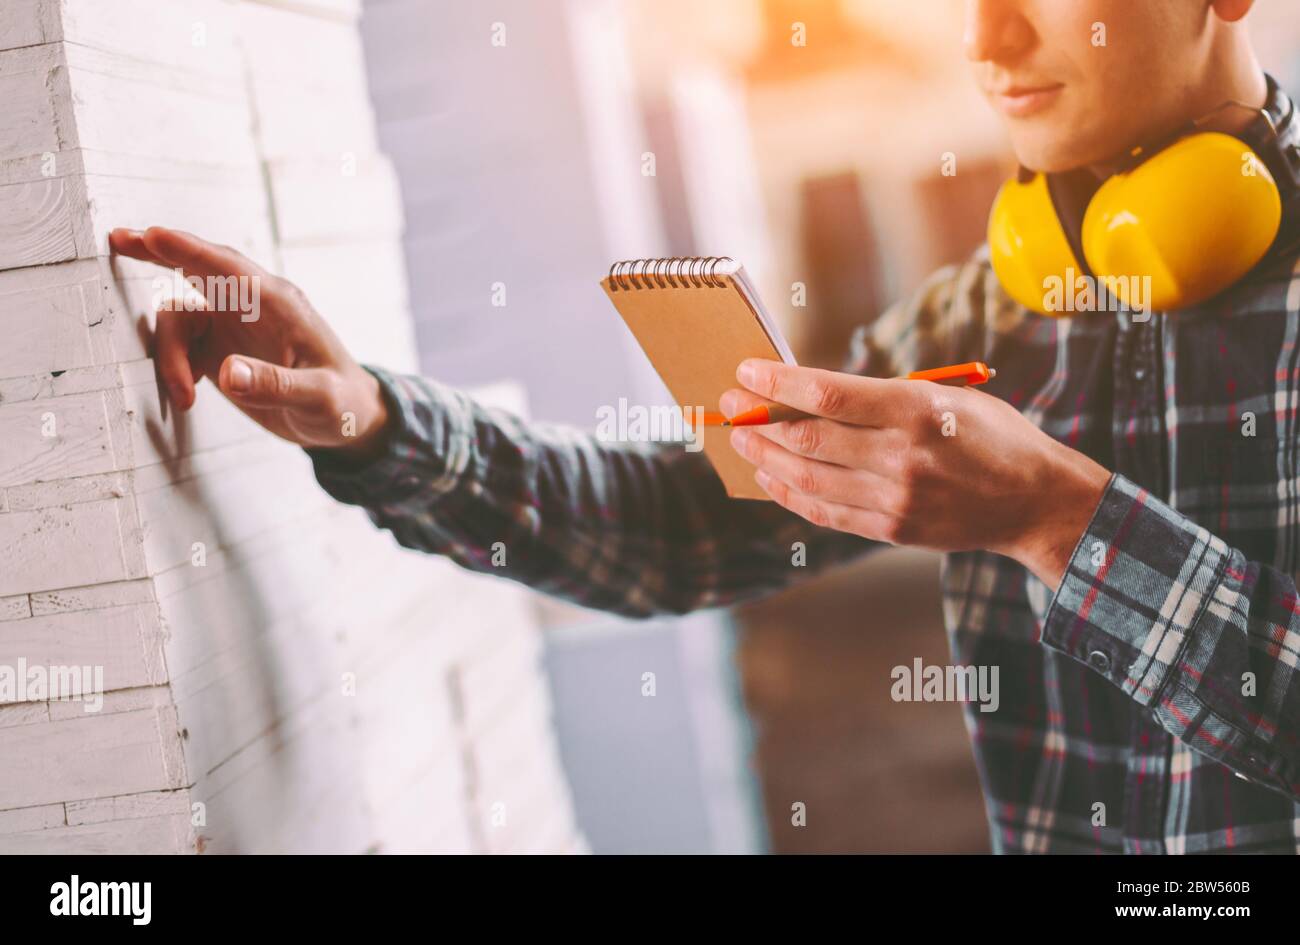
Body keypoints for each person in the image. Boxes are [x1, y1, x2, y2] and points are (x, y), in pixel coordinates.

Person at [109, 0, 1300, 853]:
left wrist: (1056, 520)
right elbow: (684, 525)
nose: (985, 42)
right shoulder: (986, 308)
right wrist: (369, 417)